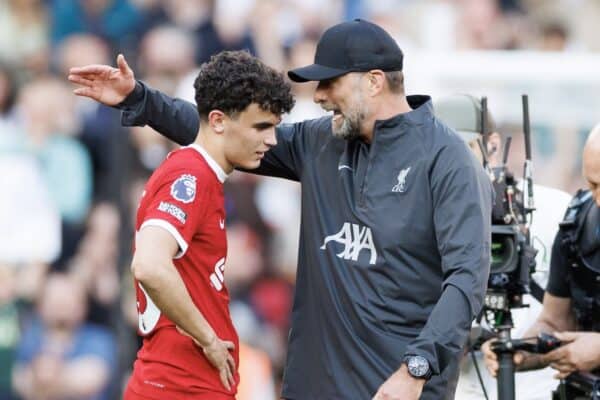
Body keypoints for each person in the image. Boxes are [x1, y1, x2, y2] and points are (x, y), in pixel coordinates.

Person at [68, 19, 493, 400]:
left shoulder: (447, 159)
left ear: (374, 82)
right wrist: (139, 98)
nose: (320, 96)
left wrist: (416, 369)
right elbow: (225, 130)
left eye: (331, 83)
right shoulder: (321, 142)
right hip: (315, 385)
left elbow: (467, 279)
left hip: (398, 387)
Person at [74, 50, 294, 400]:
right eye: (261, 126)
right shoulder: (190, 176)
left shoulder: (202, 176)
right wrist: (208, 339)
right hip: (178, 386)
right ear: (218, 120)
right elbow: (149, 265)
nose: (271, 141)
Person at [435, 94, 572, 400]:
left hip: (545, 387)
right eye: (437, 155)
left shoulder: (556, 211)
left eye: (460, 151)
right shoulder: (421, 226)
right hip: (467, 388)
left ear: (492, 146)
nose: (448, 167)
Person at [480, 124, 600, 392]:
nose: (598, 198)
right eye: (592, 184)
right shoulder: (577, 226)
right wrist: (520, 352)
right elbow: (555, 321)